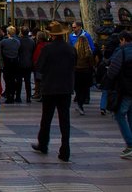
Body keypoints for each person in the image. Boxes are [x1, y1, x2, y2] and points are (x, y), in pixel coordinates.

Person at [31, 21, 76, 162]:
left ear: (52, 35)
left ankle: (43, 144)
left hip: (50, 87)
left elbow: (39, 67)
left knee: (46, 118)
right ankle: (65, 149)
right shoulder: (70, 49)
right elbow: (74, 64)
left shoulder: (47, 49)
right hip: (65, 88)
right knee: (65, 120)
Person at [105, 30, 132, 158]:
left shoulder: (122, 52)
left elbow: (112, 71)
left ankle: (131, 144)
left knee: (119, 114)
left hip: (128, 88)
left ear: (123, 40)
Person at [73, 34, 94, 115]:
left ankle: (79, 102)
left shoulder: (74, 50)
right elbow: (91, 63)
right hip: (85, 72)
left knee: (78, 89)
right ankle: (81, 103)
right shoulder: (88, 52)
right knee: (84, 89)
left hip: (76, 71)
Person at [0, 26, 21, 104]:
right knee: (14, 79)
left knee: (8, 80)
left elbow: (0, 49)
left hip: (7, 62)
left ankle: (9, 97)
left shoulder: (4, 41)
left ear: (7, 33)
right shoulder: (18, 42)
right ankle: (14, 95)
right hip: (15, 61)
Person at [17, 27, 35, 103]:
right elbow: (33, 51)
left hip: (20, 63)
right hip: (29, 63)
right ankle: (28, 97)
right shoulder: (32, 42)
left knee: (19, 81)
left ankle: (18, 97)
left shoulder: (19, 41)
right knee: (27, 81)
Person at [31, 31, 49, 101]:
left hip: (39, 66)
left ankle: (40, 94)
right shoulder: (47, 44)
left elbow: (37, 56)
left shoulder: (40, 45)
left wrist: (35, 64)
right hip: (46, 66)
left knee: (39, 81)